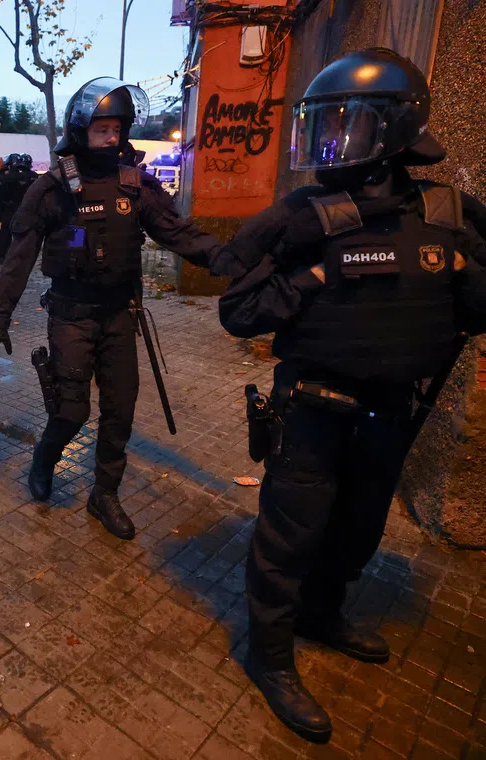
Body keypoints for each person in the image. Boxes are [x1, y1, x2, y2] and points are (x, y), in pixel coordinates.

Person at [215, 48, 486, 745]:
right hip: (312, 408)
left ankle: (324, 614)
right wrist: (314, 277)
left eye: (347, 126)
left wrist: (454, 268)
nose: (330, 144)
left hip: (393, 410)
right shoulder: (305, 218)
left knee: (360, 527)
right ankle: (269, 656)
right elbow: (240, 311)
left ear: (396, 130)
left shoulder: (447, 213)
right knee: (288, 536)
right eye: (323, 126)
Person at [0, 77, 236, 539]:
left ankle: (105, 494)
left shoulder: (136, 185)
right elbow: (18, 260)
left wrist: (226, 258)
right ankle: (45, 457)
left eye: (118, 129)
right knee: (72, 411)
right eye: (102, 129)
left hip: (121, 314)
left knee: (120, 410)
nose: (112, 138)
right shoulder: (52, 188)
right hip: (71, 315)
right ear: (81, 129)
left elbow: (178, 233)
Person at [0, 155, 37, 261]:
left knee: (5, 233)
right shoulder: (30, 176)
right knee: (22, 233)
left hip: (9, 207)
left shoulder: (6, 177)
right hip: (24, 207)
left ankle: (2, 255)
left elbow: (1, 194)